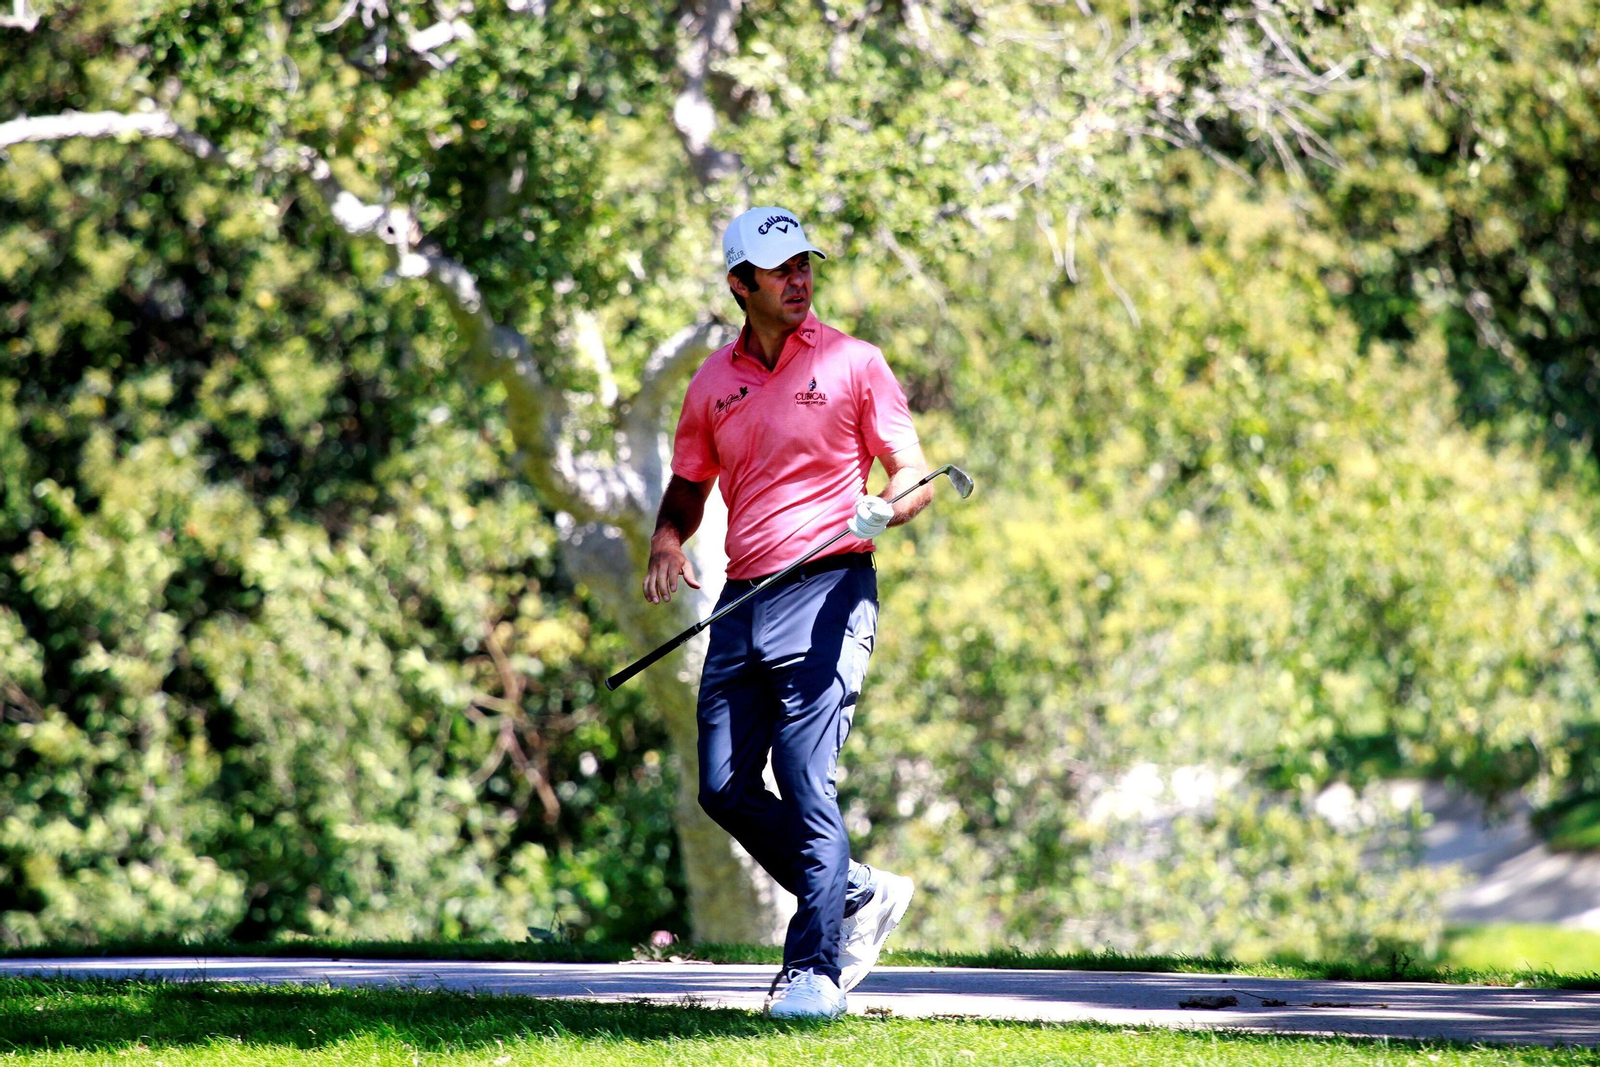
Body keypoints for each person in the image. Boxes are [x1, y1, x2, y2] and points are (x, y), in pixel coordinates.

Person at [643, 206, 931, 1018]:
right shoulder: (713, 382)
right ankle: (856, 890)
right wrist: (667, 540)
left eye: (805, 264)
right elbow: (690, 482)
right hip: (743, 596)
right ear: (742, 284)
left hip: (831, 586)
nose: (800, 279)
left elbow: (914, 471)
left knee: (804, 775)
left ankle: (814, 971)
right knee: (723, 785)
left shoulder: (854, 362)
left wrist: (888, 506)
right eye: (782, 269)